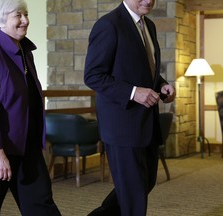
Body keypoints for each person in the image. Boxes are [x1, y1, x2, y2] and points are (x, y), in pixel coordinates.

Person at [0, 0, 61, 215]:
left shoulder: (25, 52)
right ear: (0, 20)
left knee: (42, 207)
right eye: (18, 15)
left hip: (25, 146)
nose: (25, 20)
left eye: (26, 14)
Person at [84, 0, 176, 215]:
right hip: (122, 125)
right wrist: (134, 92)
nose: (148, 0)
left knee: (144, 184)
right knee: (134, 195)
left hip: (147, 123)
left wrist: (161, 85)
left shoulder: (149, 25)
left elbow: (144, 69)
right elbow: (93, 76)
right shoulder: (108, 25)